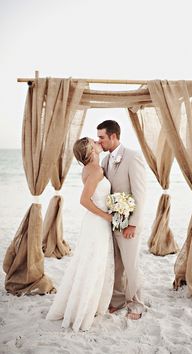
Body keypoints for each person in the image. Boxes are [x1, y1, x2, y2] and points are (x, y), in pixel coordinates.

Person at [46, 137, 114, 332]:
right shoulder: (96, 170)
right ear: (90, 150)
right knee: (93, 263)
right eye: (94, 141)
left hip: (94, 222)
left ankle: (88, 303)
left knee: (89, 262)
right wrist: (107, 217)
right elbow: (84, 200)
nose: (97, 141)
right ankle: (85, 307)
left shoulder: (91, 168)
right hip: (97, 222)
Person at [97, 120, 147, 320]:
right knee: (116, 264)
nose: (99, 141)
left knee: (130, 264)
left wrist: (133, 223)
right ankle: (117, 301)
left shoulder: (133, 157)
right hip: (112, 222)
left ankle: (137, 304)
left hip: (129, 224)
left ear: (113, 136)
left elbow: (140, 194)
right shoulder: (104, 161)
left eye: (102, 137)